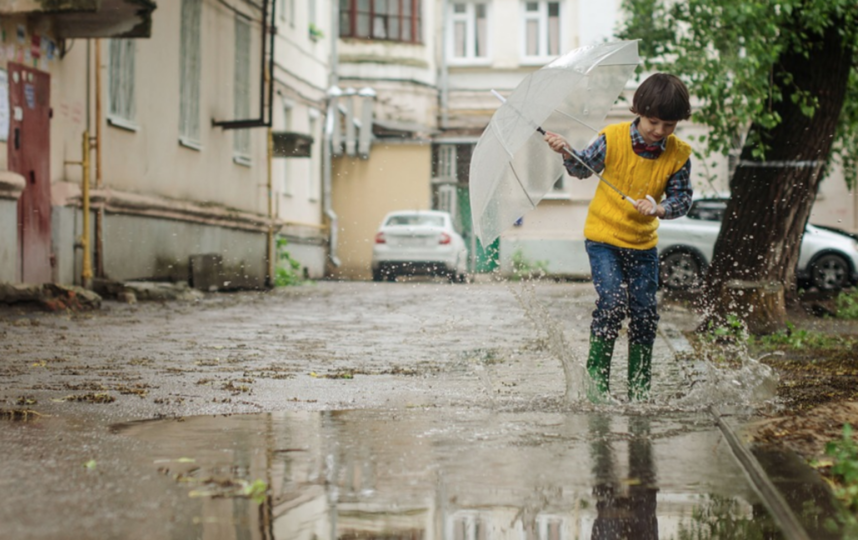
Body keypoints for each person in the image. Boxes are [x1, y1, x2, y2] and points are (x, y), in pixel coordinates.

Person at [544, 73, 693, 402]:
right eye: (653, 122)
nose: (659, 131)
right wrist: (566, 151)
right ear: (638, 111)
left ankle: (639, 391)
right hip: (604, 239)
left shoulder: (679, 154)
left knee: (644, 313)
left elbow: (682, 199)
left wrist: (661, 208)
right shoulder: (612, 138)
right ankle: (597, 389)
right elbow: (582, 169)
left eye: (669, 125)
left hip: (643, 245)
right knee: (612, 304)